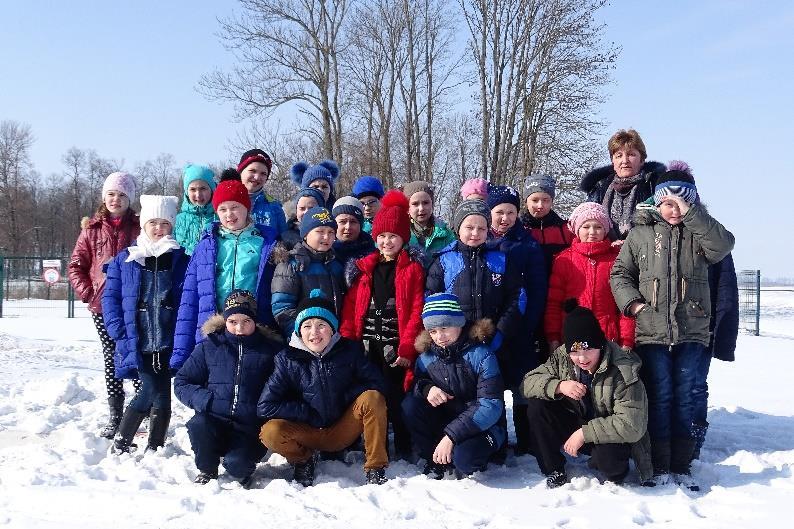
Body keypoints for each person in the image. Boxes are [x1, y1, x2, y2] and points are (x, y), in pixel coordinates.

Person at [610, 167, 735, 490]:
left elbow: (723, 245)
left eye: (682, 202)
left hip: (691, 331)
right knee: (660, 396)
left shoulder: (700, 232)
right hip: (651, 333)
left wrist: (693, 215)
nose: (674, 209)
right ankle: (659, 463)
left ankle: (682, 464)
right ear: (657, 202)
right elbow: (620, 274)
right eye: (668, 202)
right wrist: (635, 304)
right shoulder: (641, 234)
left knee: (684, 397)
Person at [258, 290, 389, 486]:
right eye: (307, 326)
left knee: (373, 398)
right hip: (307, 432)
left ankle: (375, 467)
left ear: (332, 329)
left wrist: (345, 399)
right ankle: (303, 461)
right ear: (298, 331)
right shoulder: (287, 359)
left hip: (342, 429)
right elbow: (265, 405)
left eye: (321, 325)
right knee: (270, 432)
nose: (314, 333)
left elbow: (377, 383)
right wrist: (306, 413)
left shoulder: (349, 350)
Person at [521, 300, 652, 488]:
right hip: (576, 421)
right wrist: (559, 386)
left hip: (605, 432)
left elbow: (632, 424)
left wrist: (584, 433)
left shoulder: (623, 368)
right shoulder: (562, 357)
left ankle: (613, 471)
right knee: (538, 405)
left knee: (610, 464)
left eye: (588, 349)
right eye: (574, 352)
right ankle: (554, 469)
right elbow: (527, 383)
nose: (581, 358)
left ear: (599, 344)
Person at [340, 190, 425, 460]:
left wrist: (408, 346)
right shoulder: (364, 269)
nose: (387, 242)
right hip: (367, 346)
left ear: (404, 238)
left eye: (393, 236)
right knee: (371, 395)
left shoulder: (412, 269)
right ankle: (375, 446)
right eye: (382, 236)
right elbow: (352, 310)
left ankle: (403, 444)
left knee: (397, 397)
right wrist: (348, 341)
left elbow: (415, 309)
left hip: (395, 346)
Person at [102, 195, 189, 453]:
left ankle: (155, 445)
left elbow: (186, 297)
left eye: (164, 223)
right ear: (144, 225)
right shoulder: (126, 259)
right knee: (148, 389)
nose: (158, 229)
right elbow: (111, 298)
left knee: (163, 392)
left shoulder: (179, 260)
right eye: (153, 222)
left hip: (167, 339)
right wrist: (118, 329)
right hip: (138, 339)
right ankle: (122, 440)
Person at [171, 169, 278, 373]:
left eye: (235, 207)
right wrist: (181, 351)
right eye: (223, 209)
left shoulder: (265, 243)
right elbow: (190, 297)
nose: (229, 215)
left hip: (252, 326)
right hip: (214, 326)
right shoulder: (206, 245)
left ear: (247, 208)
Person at [175, 290, 282, 487]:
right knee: (199, 424)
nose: (239, 328)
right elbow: (182, 382)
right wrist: (206, 401)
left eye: (246, 321)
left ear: (254, 321)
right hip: (214, 419)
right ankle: (207, 469)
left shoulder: (270, 351)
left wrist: (264, 411)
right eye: (233, 322)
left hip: (249, 426)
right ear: (225, 321)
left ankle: (240, 464)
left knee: (238, 466)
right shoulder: (209, 347)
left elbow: (283, 387)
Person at [68, 171, 141, 439]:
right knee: (111, 357)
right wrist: (89, 293)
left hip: (133, 304)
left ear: (129, 199)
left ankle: (140, 409)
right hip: (102, 306)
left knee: (134, 354)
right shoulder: (92, 229)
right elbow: (76, 266)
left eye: (122, 195)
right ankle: (115, 414)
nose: (116, 199)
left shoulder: (138, 226)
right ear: (104, 197)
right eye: (111, 194)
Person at [402, 293, 506, 478]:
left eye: (444, 327)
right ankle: (433, 458)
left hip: (483, 426)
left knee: (464, 461)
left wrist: (451, 436)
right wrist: (428, 389)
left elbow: (490, 406)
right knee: (410, 405)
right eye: (433, 331)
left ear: (458, 323)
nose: (439, 337)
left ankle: (475, 453)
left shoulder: (482, 354)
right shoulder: (426, 358)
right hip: (447, 421)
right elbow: (417, 384)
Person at [426, 199, 525, 370]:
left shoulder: (500, 259)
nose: (475, 233)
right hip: (455, 341)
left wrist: (501, 330)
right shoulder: (444, 261)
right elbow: (430, 297)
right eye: (469, 228)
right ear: (458, 229)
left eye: (481, 228)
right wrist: (444, 333)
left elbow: (517, 296)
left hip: (494, 339)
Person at [486, 184, 547, 454]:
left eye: (511, 212)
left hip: (521, 329)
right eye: (499, 212)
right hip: (490, 328)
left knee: (524, 388)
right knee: (493, 386)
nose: (505, 218)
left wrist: (529, 325)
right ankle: (497, 440)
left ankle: (527, 440)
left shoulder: (528, 245)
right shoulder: (482, 242)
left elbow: (537, 290)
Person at [544, 202, 635, 354]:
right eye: (586, 227)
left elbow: (624, 305)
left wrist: (627, 341)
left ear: (605, 230)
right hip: (572, 337)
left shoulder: (616, 260)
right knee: (576, 377)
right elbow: (554, 303)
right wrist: (552, 337)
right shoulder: (564, 260)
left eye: (598, 227)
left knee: (607, 377)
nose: (592, 232)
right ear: (577, 229)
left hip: (608, 338)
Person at [271, 206, 345, 338]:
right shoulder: (290, 265)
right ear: (305, 234)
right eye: (320, 231)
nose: (326, 237)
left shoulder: (335, 264)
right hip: (304, 338)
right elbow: (282, 307)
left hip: (332, 337)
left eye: (331, 232)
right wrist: (302, 334)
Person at [579, 129, 665, 240]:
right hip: (607, 253)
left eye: (631, 154)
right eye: (619, 156)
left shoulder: (654, 186)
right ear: (613, 162)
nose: (625, 160)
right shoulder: (599, 189)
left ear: (642, 160)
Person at [518, 173, 575, 274]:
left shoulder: (566, 230)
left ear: (552, 201)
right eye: (535, 200)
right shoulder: (517, 229)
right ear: (526, 201)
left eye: (545, 200)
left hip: (557, 287)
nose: (540, 205)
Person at [402, 181, 456, 267]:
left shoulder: (446, 234)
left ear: (432, 204)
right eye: (415, 204)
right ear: (408, 208)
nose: (421, 208)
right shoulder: (401, 234)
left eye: (425, 203)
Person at [237, 149, 287, 235]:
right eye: (252, 171)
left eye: (263, 174)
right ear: (241, 171)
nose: (257, 177)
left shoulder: (274, 207)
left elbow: (284, 237)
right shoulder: (223, 202)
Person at [174, 164, 217, 255]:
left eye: (203, 188)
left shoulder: (220, 218)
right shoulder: (177, 221)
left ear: (212, 190)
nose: (198, 194)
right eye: (193, 189)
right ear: (186, 192)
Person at [331, 195, 375, 268]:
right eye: (342, 222)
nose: (348, 227)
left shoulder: (372, 254)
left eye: (353, 222)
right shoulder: (324, 253)